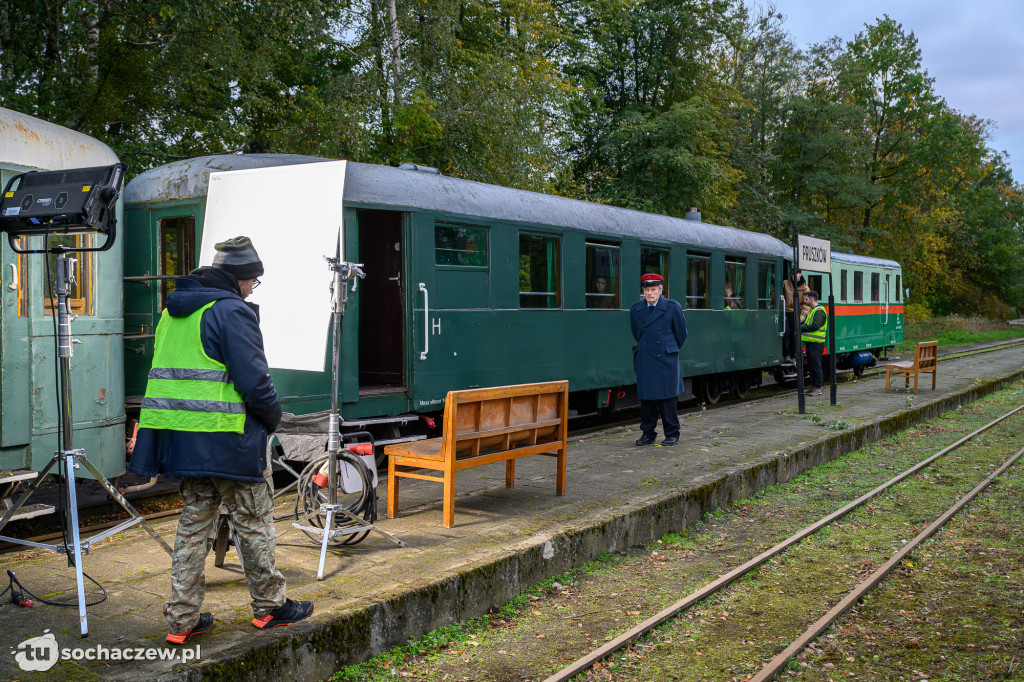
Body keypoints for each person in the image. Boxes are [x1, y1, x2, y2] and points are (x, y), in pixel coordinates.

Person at [129, 236, 314, 644]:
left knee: (193, 526)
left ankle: (182, 619)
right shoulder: (231, 311)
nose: (252, 290)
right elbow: (255, 381)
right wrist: (273, 419)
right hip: (230, 441)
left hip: (185, 441)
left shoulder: (172, 312)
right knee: (253, 521)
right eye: (252, 282)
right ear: (239, 278)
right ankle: (270, 607)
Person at [630, 273, 687, 446]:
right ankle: (648, 433)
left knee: (668, 399)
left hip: (666, 360)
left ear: (660, 290)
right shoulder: (636, 309)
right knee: (647, 400)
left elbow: (681, 333)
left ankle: (672, 433)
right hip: (646, 358)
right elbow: (636, 333)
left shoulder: (672, 307)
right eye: (647, 290)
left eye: (653, 289)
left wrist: (668, 348)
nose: (650, 293)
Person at [801, 290, 828, 396]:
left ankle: (817, 388)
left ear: (812, 299)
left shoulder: (819, 311)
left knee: (816, 366)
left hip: (816, 344)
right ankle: (813, 387)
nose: (804, 301)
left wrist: (801, 327)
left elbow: (815, 326)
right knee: (812, 366)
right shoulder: (813, 311)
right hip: (811, 343)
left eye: (806, 299)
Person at [782, 269, 810, 359]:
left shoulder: (805, 288)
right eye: (792, 275)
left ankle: (793, 355)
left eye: (795, 274)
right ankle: (786, 354)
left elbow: (806, 303)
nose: (793, 276)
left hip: (797, 314)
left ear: (800, 275)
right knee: (786, 332)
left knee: (794, 334)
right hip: (786, 312)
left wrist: (803, 315)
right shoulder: (785, 283)